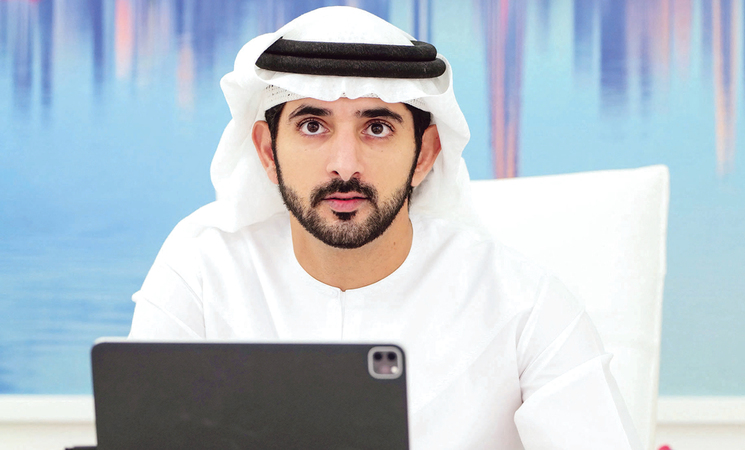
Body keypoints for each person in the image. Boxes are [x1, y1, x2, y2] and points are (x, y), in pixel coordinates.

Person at [129, 6, 641, 449]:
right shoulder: (201, 275)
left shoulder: (524, 307)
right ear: (267, 151)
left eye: (377, 128)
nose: (344, 165)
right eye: (313, 126)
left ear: (425, 155)